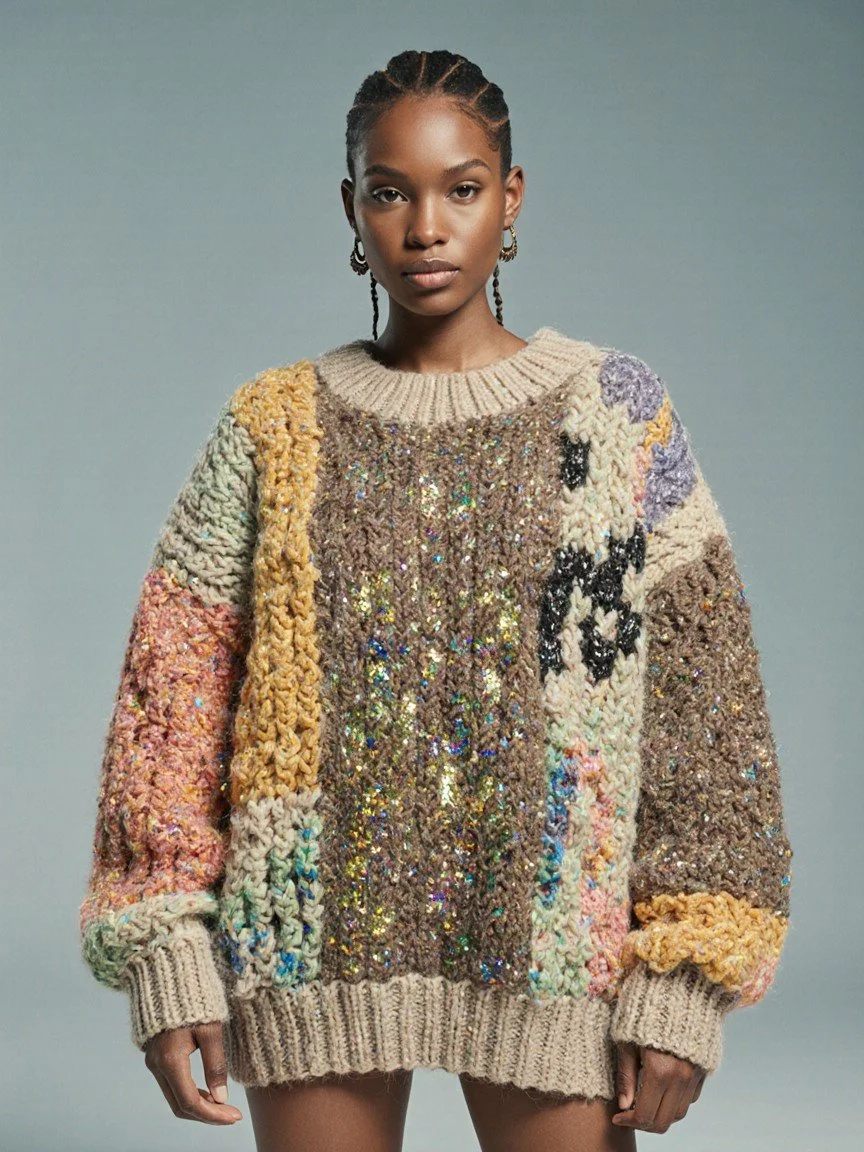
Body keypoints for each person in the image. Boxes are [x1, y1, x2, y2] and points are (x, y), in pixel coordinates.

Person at [78, 48, 794, 1152]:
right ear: (351, 207)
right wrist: (167, 953)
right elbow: (167, 708)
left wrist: (685, 983)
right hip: (309, 957)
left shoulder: (615, 416)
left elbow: (711, 725)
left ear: (511, 200)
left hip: (553, 960)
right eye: (389, 190)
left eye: (462, 188)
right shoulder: (275, 425)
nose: (425, 226)